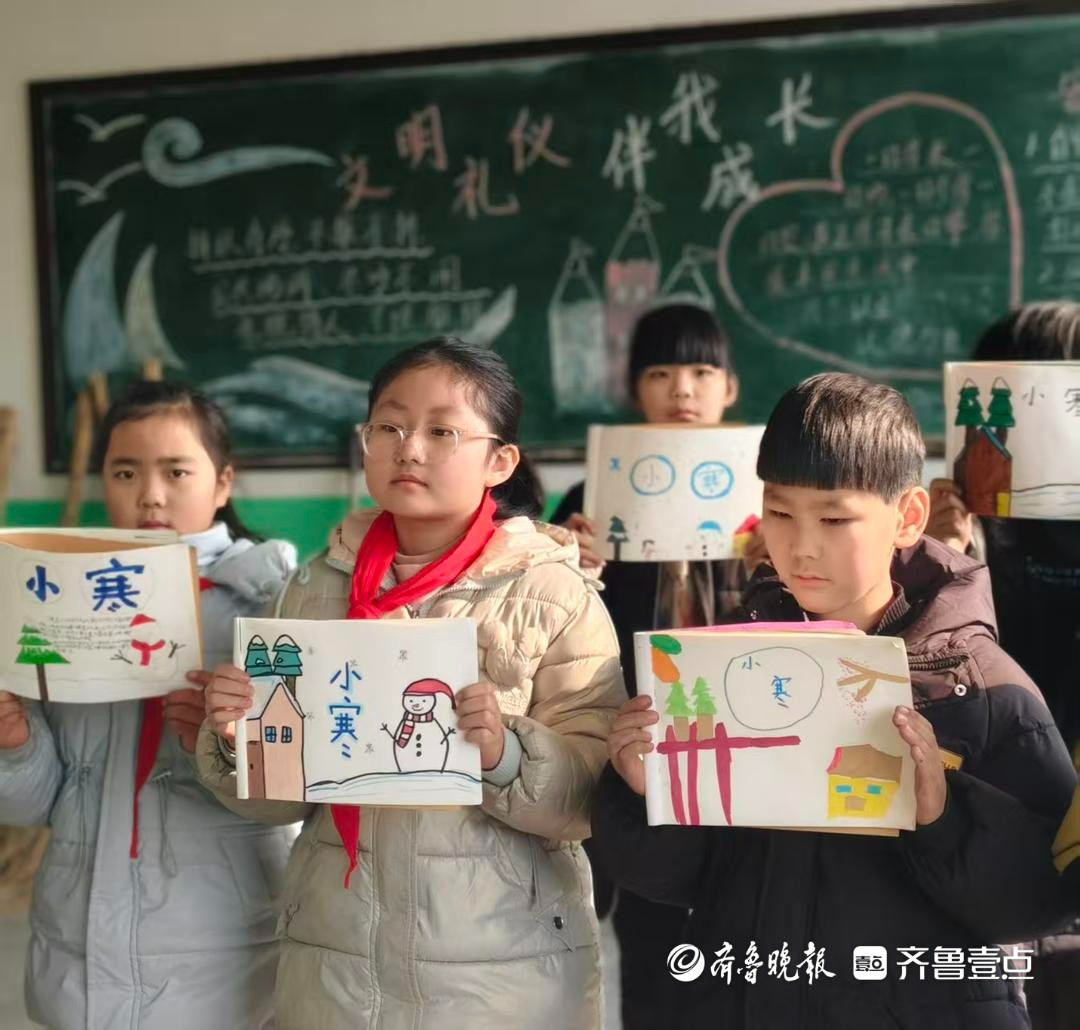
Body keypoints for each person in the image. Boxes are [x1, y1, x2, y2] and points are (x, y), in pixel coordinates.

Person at [592, 372, 1077, 1029]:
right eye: (780, 513)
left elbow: (1042, 900)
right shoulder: (723, 663)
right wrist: (643, 790)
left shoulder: (982, 688)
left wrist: (942, 816)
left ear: (907, 517)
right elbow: (678, 879)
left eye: (834, 518)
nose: (801, 546)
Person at [195, 338, 626, 1029]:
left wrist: (505, 755)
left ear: (500, 462)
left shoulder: (553, 593)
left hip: (503, 970)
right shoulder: (313, 587)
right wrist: (235, 736)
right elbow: (280, 800)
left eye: (441, 431)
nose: (409, 449)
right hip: (337, 959)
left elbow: (594, 791)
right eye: (389, 427)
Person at [0, 381, 297, 1028]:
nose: (150, 495)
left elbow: (299, 792)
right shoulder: (59, 603)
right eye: (126, 472)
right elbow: (38, 803)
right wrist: (15, 745)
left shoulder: (274, 609)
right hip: (76, 954)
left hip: (228, 957)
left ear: (222, 483)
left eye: (176, 471)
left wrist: (223, 745)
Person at [550, 303, 760, 1028]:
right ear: (634, 389)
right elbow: (565, 631)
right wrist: (570, 565)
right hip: (635, 745)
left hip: (739, 740)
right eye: (661, 373)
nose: (683, 390)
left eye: (701, 371)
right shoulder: (591, 500)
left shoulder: (766, 495)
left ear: (730, 387)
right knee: (650, 936)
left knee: (742, 933)